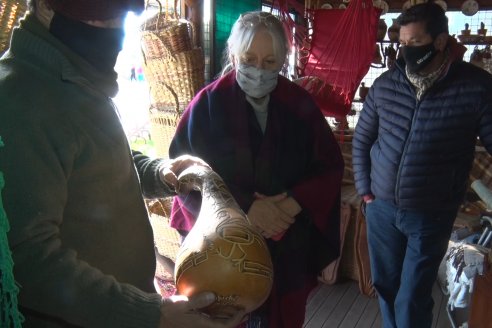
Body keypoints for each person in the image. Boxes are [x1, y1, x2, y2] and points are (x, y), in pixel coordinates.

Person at [0, 0, 246, 327]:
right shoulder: (19, 101)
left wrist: (160, 172)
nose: (116, 34)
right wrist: (147, 313)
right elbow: (27, 260)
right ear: (46, 7)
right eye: (103, 20)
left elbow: (99, 161)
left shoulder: (79, 73)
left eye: (123, 19)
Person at [169, 11, 344, 328]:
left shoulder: (299, 105)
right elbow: (185, 173)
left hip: (288, 244)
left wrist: (291, 203)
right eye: (249, 59)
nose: (258, 70)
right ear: (234, 55)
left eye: (269, 62)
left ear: (282, 61)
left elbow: (329, 167)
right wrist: (247, 210)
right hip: (221, 254)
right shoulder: (207, 106)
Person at [352, 3, 492, 328]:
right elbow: (362, 139)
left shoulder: (476, 87)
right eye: (402, 43)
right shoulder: (386, 85)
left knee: (412, 294)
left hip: (431, 213)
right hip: (382, 209)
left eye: (415, 43)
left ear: (440, 41)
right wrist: (366, 191)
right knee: (386, 287)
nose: (406, 51)